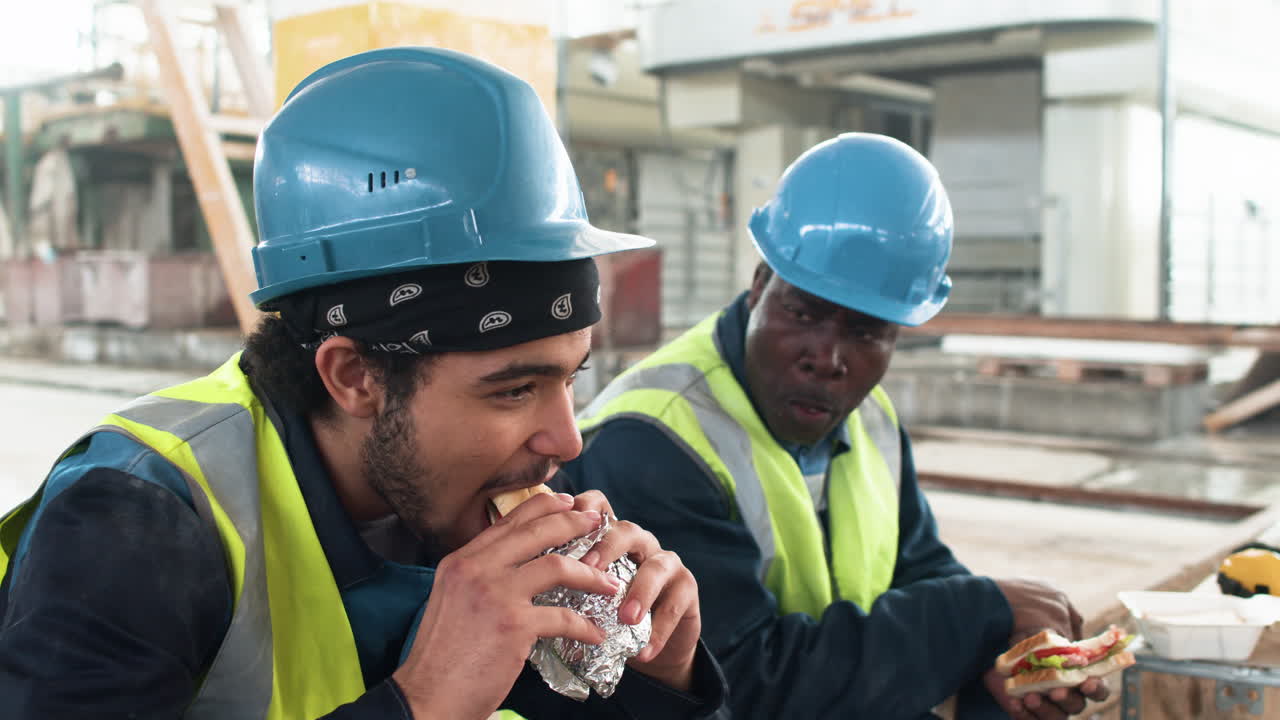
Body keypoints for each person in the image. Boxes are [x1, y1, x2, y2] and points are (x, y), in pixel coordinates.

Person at [0, 47, 728, 720]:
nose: (566, 438)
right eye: (513, 389)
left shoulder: (454, 494)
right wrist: (421, 702)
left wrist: (662, 679)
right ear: (355, 377)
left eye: (571, 378)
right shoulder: (129, 525)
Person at [563, 133, 1110, 720]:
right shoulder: (653, 439)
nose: (828, 358)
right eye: (803, 313)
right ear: (758, 285)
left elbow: (918, 570)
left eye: (867, 332)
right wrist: (981, 611)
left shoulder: (872, 420)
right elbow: (745, 681)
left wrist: (999, 658)